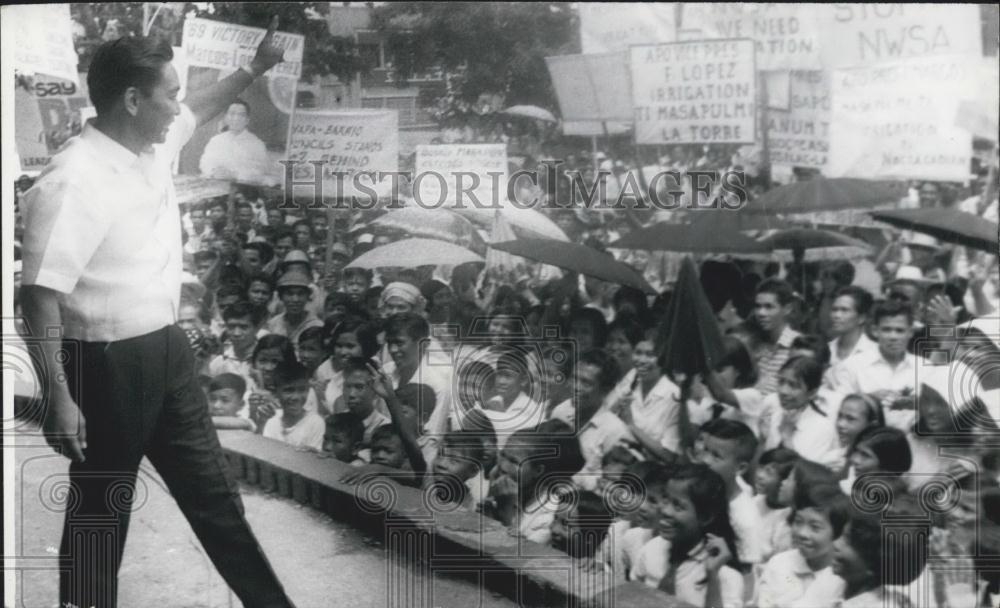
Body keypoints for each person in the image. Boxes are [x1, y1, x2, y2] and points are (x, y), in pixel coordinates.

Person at [20, 25, 295, 608]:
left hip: (167, 350)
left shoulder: (154, 140)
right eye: (167, 93)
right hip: (106, 362)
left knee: (216, 497)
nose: (179, 106)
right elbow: (39, 297)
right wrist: (59, 397)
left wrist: (257, 67)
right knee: (101, 511)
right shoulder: (72, 180)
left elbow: (201, 104)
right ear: (132, 101)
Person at [630, 464, 745, 607]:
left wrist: (712, 576)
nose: (666, 511)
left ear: (705, 517)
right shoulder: (652, 549)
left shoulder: (725, 576)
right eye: (666, 500)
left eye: (678, 506)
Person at [757, 484, 849, 608]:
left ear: (837, 533)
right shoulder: (779, 563)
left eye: (815, 527)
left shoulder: (842, 579)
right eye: (798, 522)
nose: (802, 533)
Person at [832, 300, 919, 431]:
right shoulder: (852, 366)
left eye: (900, 330)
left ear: (910, 332)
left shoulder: (925, 368)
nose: (893, 336)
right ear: (875, 331)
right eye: (886, 330)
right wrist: (868, 400)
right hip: (866, 442)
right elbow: (836, 408)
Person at [693, 419, 764, 568]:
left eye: (716, 456)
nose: (705, 460)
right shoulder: (700, 487)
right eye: (705, 449)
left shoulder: (745, 517)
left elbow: (748, 573)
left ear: (740, 468)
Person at [761, 356, 842, 470]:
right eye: (781, 382)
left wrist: (787, 437)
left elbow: (804, 473)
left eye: (793, 386)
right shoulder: (778, 414)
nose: (783, 391)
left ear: (812, 393)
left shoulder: (823, 428)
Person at [199, 99, 272, 184]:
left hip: (243, 189)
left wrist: (235, 175)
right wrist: (213, 171)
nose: (236, 118)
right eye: (232, 114)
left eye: (241, 115)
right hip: (215, 185)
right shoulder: (215, 141)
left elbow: (260, 171)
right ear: (226, 117)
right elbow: (204, 163)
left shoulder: (256, 144)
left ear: (247, 120)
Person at [260, 361, 325, 452]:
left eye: (302, 390)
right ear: (276, 392)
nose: (296, 397)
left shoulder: (315, 423)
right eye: (289, 390)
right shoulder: (272, 420)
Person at [752, 279, 802, 394]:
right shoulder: (755, 343)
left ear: (787, 309)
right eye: (758, 306)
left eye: (769, 307)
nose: (761, 313)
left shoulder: (797, 345)